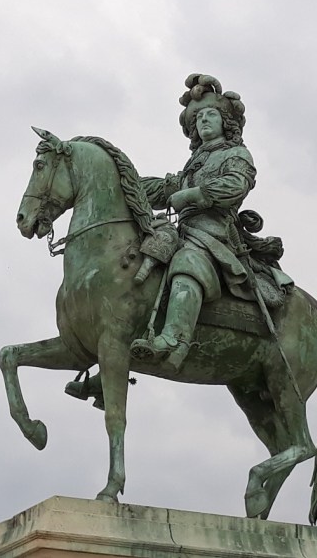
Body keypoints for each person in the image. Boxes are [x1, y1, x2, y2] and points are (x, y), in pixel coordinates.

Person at [66, 74, 291, 406]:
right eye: (198, 118)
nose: (204, 121)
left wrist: (195, 194)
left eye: (211, 115)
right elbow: (164, 188)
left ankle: (174, 339)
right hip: (184, 233)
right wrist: (117, 178)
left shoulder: (236, 154)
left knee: (187, 261)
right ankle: (114, 354)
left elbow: (235, 185)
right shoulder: (194, 163)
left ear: (226, 122)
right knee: (137, 263)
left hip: (215, 235)